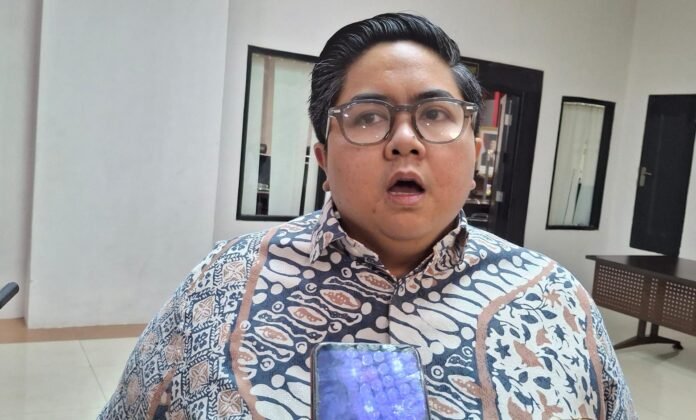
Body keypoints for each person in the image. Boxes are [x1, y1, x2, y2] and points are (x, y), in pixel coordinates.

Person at [100, 12, 635, 419]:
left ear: (475, 150)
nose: (405, 140)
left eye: (434, 114)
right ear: (323, 158)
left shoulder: (556, 299)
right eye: (368, 117)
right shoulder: (220, 282)